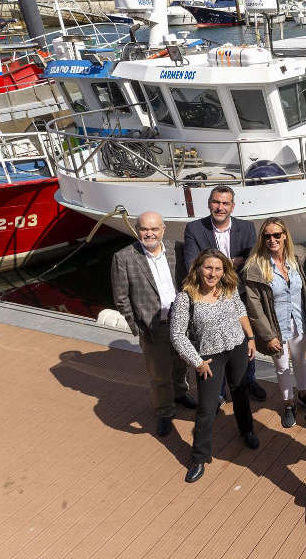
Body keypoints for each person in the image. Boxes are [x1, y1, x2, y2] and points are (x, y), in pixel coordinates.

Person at [170, 249, 259, 484]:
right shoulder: (186, 297)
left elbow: (241, 310)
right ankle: (199, 457)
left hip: (237, 348)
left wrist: (250, 338)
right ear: (198, 268)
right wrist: (197, 361)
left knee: (240, 392)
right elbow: (177, 335)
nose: (213, 273)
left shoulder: (228, 287)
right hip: (208, 357)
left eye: (218, 269)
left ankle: (247, 430)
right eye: (208, 268)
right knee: (207, 408)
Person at [110, 211, 196, 437]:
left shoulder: (177, 249)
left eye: (154, 229)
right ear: (137, 230)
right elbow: (121, 298)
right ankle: (165, 412)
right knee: (159, 375)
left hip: (180, 323)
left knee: (181, 364)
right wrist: (137, 327)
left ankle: (180, 393)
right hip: (152, 327)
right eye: (144, 229)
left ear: (163, 229)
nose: (149, 234)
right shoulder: (124, 257)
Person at [183, 185, 267, 403]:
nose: (220, 207)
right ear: (209, 203)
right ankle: (218, 390)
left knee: (246, 339)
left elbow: (252, 259)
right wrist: (230, 263)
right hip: (210, 295)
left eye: (225, 203)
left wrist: (233, 262)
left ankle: (248, 380)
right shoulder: (194, 229)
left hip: (239, 292)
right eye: (216, 202)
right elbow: (192, 263)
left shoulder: (247, 227)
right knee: (212, 342)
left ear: (232, 206)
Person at [242, 217, 306, 430]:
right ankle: (288, 403)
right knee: (282, 368)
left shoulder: (297, 257)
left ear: (284, 236)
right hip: (276, 327)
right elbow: (255, 309)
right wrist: (268, 336)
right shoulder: (255, 268)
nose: (272, 239)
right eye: (267, 236)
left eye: (276, 235)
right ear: (262, 239)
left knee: (300, 361)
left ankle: (303, 394)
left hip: (299, 322)